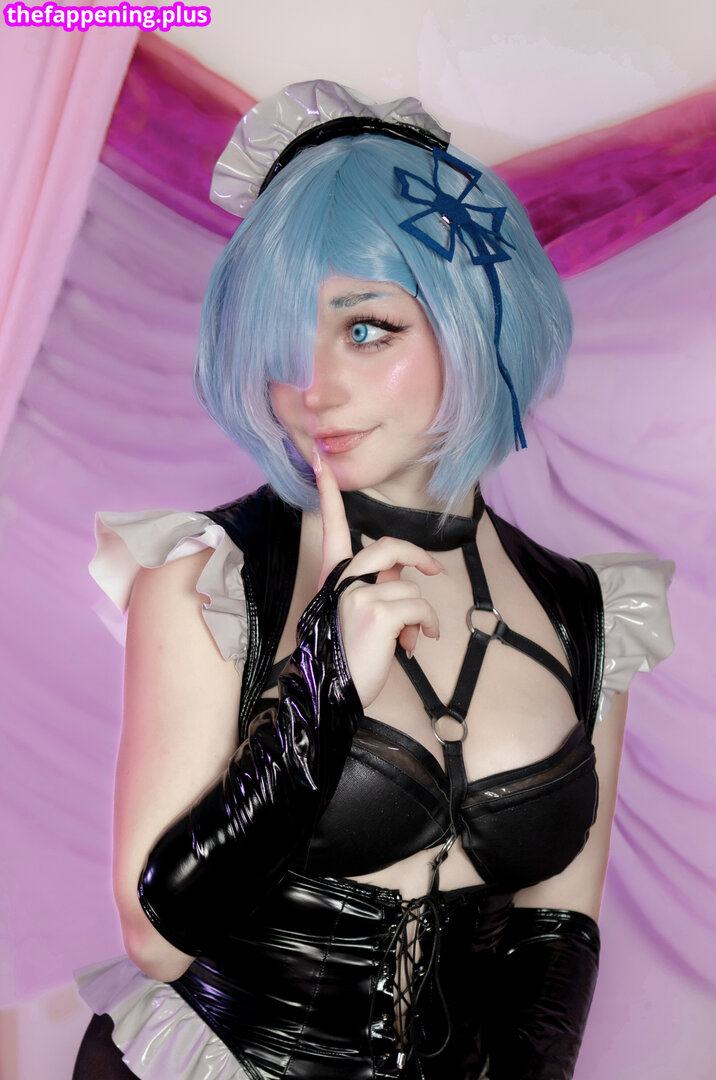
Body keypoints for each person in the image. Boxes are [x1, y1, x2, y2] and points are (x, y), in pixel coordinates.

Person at [72, 81, 674, 1080]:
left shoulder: (584, 612)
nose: (312, 387)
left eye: (364, 330)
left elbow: (558, 934)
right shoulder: (212, 581)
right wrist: (321, 689)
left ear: (473, 320)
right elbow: (157, 938)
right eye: (283, 341)